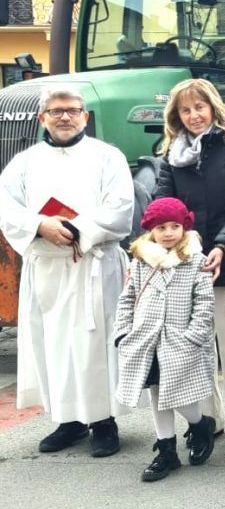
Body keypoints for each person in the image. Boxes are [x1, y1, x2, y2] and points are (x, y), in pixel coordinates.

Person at [0, 85, 133, 458]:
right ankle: (69, 421)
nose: (64, 117)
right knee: (56, 345)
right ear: (43, 118)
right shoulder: (24, 162)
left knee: (96, 346)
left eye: (72, 110)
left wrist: (75, 229)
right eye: (56, 111)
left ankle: (104, 421)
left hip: (92, 265)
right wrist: (41, 226)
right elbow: (6, 206)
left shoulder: (108, 157)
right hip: (48, 269)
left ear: (85, 117)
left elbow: (121, 208)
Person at [153, 77, 225, 445]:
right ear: (176, 116)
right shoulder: (171, 153)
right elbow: (161, 207)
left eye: (200, 107)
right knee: (193, 345)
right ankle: (206, 417)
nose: (194, 115)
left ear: (213, 107)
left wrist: (221, 244)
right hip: (185, 263)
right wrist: (179, 243)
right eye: (186, 109)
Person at [113, 198, 217, 482]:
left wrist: (193, 336)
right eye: (162, 227)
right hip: (145, 339)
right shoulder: (142, 261)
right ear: (151, 231)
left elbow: (204, 302)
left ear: (185, 227)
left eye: (175, 226)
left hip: (179, 340)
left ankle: (200, 424)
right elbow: (128, 298)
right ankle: (167, 451)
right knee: (157, 394)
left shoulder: (196, 259)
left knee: (179, 396)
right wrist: (122, 332)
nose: (169, 232)